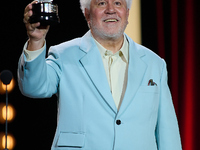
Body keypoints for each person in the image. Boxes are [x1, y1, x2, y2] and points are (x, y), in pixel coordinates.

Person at [18, 0, 182, 149]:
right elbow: (33, 87)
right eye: (102, 3)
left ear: (127, 13)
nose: (111, 10)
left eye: (118, 3)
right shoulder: (63, 55)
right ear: (87, 13)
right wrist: (36, 41)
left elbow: (168, 133)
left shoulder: (155, 63)